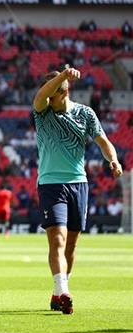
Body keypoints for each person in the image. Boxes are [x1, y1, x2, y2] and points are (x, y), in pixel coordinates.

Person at [32, 67, 122, 315]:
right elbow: (39, 97)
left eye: (54, 94)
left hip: (78, 184)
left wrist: (112, 160)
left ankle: (57, 290)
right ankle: (64, 292)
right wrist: (62, 75)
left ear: (66, 91)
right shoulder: (42, 112)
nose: (48, 98)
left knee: (70, 245)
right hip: (51, 184)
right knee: (58, 239)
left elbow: (103, 141)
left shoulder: (85, 113)